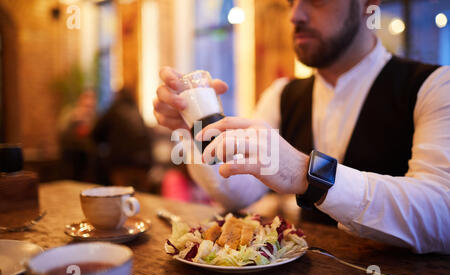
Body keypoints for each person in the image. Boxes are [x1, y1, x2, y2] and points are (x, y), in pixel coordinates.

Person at [153, 0, 450, 254]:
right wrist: (193, 128)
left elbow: (442, 215)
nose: (295, 15)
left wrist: (305, 172)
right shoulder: (282, 94)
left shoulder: (436, 86)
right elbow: (237, 193)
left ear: (368, 4)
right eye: (290, 1)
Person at [92, 88, 153, 189]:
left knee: (122, 196)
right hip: (144, 164)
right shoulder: (136, 111)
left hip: (123, 164)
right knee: (141, 197)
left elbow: (96, 133)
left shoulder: (114, 110)